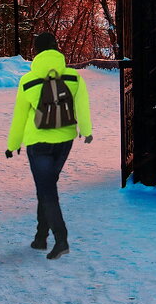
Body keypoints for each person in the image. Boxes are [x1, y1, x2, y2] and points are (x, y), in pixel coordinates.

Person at [5, 32, 92, 260]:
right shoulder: (73, 78)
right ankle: (40, 237)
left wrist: (13, 144)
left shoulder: (28, 80)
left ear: (36, 52)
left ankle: (61, 239)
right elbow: (82, 107)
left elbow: (20, 117)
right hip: (64, 141)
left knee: (46, 190)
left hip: (38, 142)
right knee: (47, 187)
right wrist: (87, 131)